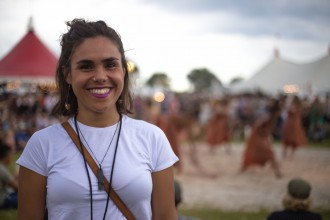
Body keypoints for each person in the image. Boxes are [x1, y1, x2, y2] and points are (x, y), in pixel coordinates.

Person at [16, 18, 179, 220]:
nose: (100, 76)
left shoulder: (152, 138)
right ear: (68, 74)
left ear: (122, 70)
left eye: (110, 65)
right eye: (86, 66)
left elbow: (165, 216)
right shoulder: (42, 145)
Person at [240, 98, 282, 178]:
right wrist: (264, 134)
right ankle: (277, 172)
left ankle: (277, 172)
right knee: (269, 154)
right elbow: (257, 126)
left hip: (261, 137)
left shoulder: (272, 119)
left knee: (265, 154)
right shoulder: (268, 118)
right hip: (257, 137)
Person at [0, 139, 18, 209]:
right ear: (7, 156)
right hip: (2, 201)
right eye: (11, 154)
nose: (12, 157)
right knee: (27, 197)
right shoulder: (2, 169)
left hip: (4, 194)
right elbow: (17, 187)